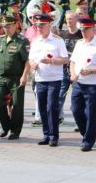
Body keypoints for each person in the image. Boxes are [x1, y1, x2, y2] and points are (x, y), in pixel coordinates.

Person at [70, 18, 96, 151]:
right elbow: (73, 62)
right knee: (75, 110)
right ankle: (85, 132)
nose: (83, 32)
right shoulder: (79, 43)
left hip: (93, 84)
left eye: (86, 30)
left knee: (91, 113)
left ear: (93, 29)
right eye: (81, 30)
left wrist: (91, 70)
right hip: (79, 82)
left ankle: (88, 140)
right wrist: (72, 74)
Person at [29, 14, 68, 147]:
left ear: (48, 26)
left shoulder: (58, 41)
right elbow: (31, 58)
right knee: (42, 107)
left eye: (42, 25)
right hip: (40, 78)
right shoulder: (35, 41)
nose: (39, 28)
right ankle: (46, 134)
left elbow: (65, 59)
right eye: (37, 26)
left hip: (54, 79)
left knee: (52, 106)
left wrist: (51, 60)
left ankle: (54, 135)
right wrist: (32, 64)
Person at [0, 16, 30, 140]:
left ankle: (15, 131)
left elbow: (27, 61)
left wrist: (24, 76)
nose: (6, 29)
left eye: (8, 26)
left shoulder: (22, 41)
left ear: (15, 25)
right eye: (4, 27)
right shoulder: (1, 40)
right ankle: (6, 125)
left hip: (16, 77)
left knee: (17, 105)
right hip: (2, 77)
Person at [58, 10, 83, 124]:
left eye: (71, 19)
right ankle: (57, 118)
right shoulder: (61, 35)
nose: (68, 21)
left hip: (77, 71)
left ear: (76, 20)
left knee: (78, 99)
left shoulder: (81, 35)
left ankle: (80, 121)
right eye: (67, 19)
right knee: (59, 96)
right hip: (63, 70)